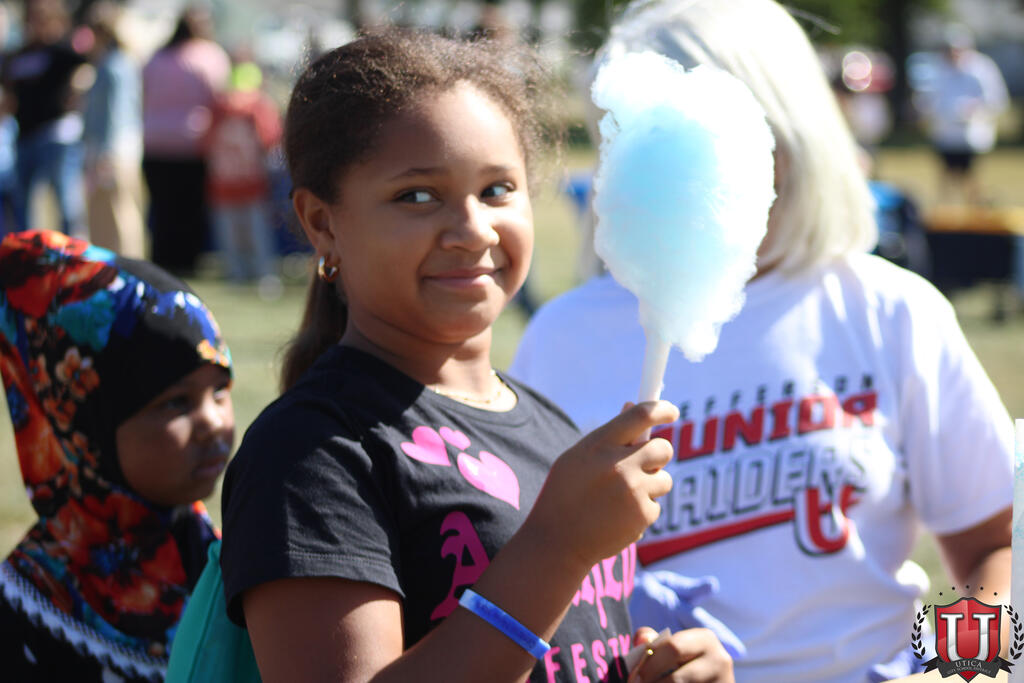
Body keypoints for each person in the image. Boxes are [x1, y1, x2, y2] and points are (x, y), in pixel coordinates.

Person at [510, 1, 1012, 682]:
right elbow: (522, 578)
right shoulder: (562, 338)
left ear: (785, 138)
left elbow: (994, 544)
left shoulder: (889, 311)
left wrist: (962, 671)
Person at [220, 28, 733, 683]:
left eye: (497, 190)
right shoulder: (310, 453)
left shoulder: (550, 427)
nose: (472, 230)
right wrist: (557, 547)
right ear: (322, 222)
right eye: (417, 196)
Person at [0, 229, 235, 682]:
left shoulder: (229, 565)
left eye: (220, 391)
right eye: (176, 403)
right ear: (86, 429)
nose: (213, 422)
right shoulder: (27, 609)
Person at [141, 5, 229, 273]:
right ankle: (187, 260)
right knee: (190, 208)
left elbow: (142, 94)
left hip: (155, 142)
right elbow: (220, 97)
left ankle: (163, 257)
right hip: (193, 144)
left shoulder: (156, 58)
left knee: (163, 207)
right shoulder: (209, 56)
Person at [2, 0, 90, 237]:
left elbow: (87, 68)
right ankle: (28, 251)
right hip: (25, 135)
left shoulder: (61, 51)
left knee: (66, 200)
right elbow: (9, 88)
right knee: (25, 203)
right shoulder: (20, 54)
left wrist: (77, 87)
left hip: (56, 134)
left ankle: (75, 251)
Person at [204, 57, 282, 285]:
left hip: (233, 182)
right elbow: (271, 139)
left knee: (236, 233)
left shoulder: (220, 108)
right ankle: (258, 272)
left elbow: (204, 143)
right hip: (245, 182)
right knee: (254, 232)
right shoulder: (256, 107)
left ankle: (242, 272)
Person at [915, 24, 1008, 207]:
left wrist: (976, 110)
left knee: (971, 177)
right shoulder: (937, 68)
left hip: (972, 133)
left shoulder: (981, 68)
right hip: (945, 133)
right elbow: (926, 99)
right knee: (946, 175)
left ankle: (975, 210)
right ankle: (946, 211)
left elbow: (996, 99)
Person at [82, 1, 145, 258]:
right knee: (105, 213)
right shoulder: (115, 63)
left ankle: (126, 265)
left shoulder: (114, 66)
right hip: (115, 148)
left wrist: (105, 153)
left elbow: (115, 112)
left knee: (119, 212)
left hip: (113, 150)